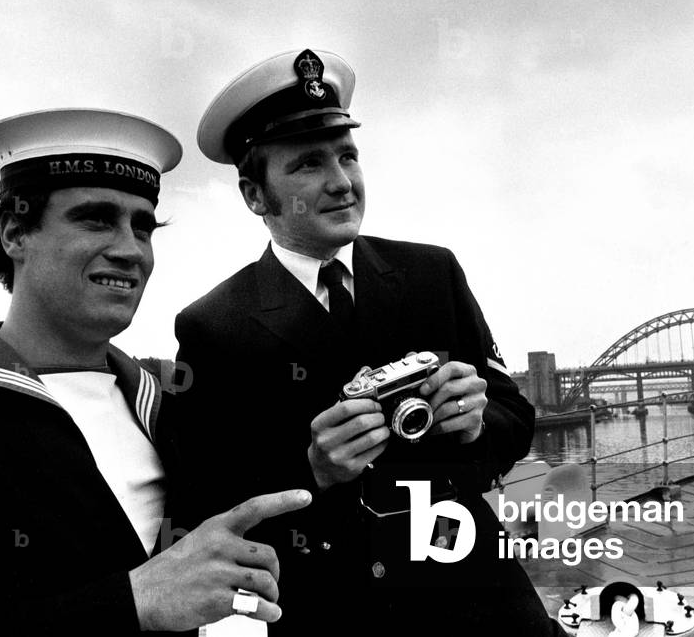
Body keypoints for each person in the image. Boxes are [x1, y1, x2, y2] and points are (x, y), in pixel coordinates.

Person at [0, 109, 310, 635]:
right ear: (15, 233)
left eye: (142, 226)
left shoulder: (165, 410)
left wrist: (320, 463)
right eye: (96, 218)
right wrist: (132, 602)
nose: (129, 249)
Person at [173, 50, 563, 635]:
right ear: (255, 195)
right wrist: (312, 471)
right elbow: (205, 502)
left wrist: (478, 422)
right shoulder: (214, 326)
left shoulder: (433, 272)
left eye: (347, 156)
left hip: (479, 597)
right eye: (308, 164)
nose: (340, 182)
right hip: (336, 611)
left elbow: (516, 415)